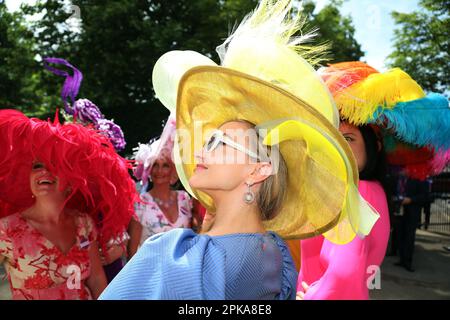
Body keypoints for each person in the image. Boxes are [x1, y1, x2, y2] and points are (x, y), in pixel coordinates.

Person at [99, 0, 378, 300]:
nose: (200, 153)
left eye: (220, 142)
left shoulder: (170, 258)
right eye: (206, 142)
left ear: (259, 169)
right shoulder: (278, 257)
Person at [0, 109, 137, 299]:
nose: (44, 172)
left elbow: (96, 279)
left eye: (55, 166)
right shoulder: (6, 229)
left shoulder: (83, 223)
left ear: (71, 181)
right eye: (37, 166)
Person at [297, 121, 390, 300]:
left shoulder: (359, 192)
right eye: (334, 138)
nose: (339, 146)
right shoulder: (366, 190)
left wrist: (311, 297)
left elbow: (344, 272)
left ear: (374, 147)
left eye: (348, 138)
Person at [129, 116, 194, 258]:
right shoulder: (140, 203)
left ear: (173, 170)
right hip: (150, 273)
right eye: (155, 166)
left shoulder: (184, 198)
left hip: (182, 272)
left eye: (165, 165)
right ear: (149, 170)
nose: (159, 171)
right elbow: (132, 250)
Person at [394, 174, 429, 272]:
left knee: (409, 237)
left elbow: (425, 196)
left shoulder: (420, 178)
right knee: (400, 235)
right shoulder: (400, 178)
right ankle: (401, 259)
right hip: (400, 210)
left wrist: (411, 200)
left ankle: (407, 262)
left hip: (412, 212)